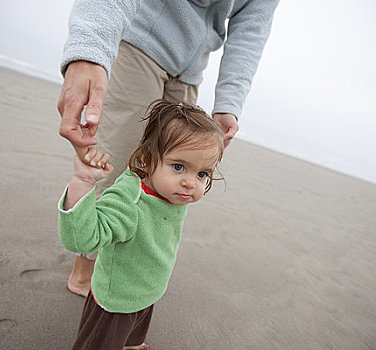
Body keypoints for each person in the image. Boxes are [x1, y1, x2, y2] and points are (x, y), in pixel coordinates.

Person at [57, 0, 280, 296]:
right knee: (120, 166)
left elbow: (251, 30)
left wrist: (229, 102)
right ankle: (85, 272)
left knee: (167, 182)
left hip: (189, 70)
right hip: (142, 45)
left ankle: (128, 267)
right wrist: (89, 50)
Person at [58, 100, 225, 349]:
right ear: (146, 160)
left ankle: (131, 343)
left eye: (202, 174)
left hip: (146, 288)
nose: (191, 183)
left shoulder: (171, 191)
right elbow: (81, 239)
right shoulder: (130, 201)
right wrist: (82, 183)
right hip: (116, 301)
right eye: (179, 167)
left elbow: (196, 157)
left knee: (135, 326)